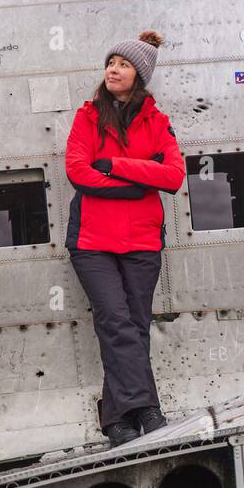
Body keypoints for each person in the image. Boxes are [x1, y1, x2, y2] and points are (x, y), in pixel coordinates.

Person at [64, 29, 186, 446]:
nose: (113, 70)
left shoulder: (158, 122)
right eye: (110, 63)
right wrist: (138, 178)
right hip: (92, 242)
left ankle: (115, 418)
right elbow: (78, 172)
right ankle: (147, 410)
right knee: (115, 321)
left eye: (123, 64)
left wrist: (115, 165)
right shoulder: (87, 116)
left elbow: (172, 176)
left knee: (133, 326)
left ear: (140, 75)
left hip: (141, 241)